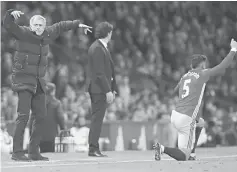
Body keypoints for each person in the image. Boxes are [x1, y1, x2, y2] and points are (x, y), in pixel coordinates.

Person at [3, 9, 92, 161]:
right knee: (23, 116)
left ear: (44, 27)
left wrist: (77, 24)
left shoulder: (47, 33)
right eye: (36, 25)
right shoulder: (23, 33)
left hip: (38, 82)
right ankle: (17, 152)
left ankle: (33, 151)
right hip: (23, 80)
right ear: (31, 26)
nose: (38, 27)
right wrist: (11, 14)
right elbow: (8, 25)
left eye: (41, 25)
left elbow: (61, 25)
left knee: (41, 116)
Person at [153, 38, 237, 161]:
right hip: (186, 118)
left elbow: (175, 91)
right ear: (202, 65)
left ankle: (192, 152)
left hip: (176, 115)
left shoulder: (184, 76)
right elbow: (222, 66)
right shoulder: (203, 74)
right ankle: (162, 148)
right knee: (183, 156)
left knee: (200, 122)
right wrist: (233, 49)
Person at [85, 21, 118, 157]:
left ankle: (94, 147)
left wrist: (113, 87)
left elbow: (108, 70)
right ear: (108, 33)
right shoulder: (98, 48)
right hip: (99, 89)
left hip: (100, 89)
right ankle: (93, 148)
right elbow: (99, 73)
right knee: (97, 119)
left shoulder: (101, 47)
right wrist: (107, 90)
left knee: (97, 119)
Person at [29, 82, 66, 153]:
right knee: (50, 156)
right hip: (51, 136)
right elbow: (60, 118)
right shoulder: (56, 103)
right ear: (53, 91)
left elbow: (32, 120)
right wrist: (63, 129)